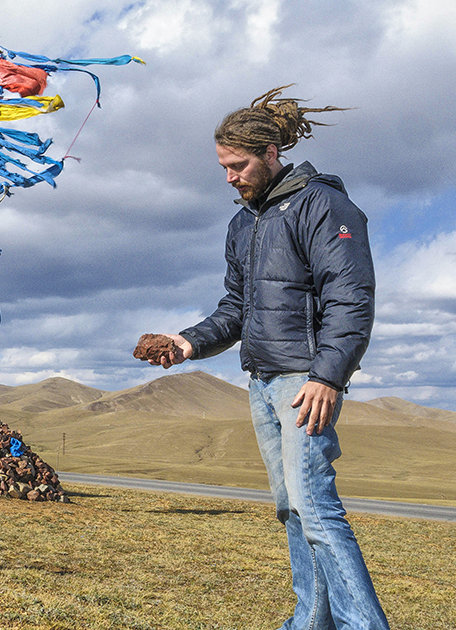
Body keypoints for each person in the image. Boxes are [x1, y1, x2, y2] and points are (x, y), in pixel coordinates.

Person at [138, 85, 389, 629]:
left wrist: (328, 376)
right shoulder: (244, 224)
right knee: (292, 510)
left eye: (239, 165)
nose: (230, 177)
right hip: (262, 381)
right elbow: (237, 307)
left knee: (316, 508)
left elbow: (351, 296)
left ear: (271, 154)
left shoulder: (323, 205)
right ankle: (309, 622)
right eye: (223, 167)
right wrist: (187, 343)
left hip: (305, 382)